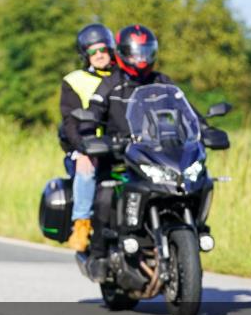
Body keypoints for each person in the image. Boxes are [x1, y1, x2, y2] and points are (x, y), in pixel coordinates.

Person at [78, 24, 202, 280]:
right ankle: (99, 256)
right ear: (122, 53)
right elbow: (92, 114)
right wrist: (89, 135)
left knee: (196, 182)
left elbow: (187, 109)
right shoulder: (110, 84)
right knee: (106, 193)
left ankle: (192, 233)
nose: (140, 59)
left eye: (145, 52)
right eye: (135, 53)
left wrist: (205, 128)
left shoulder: (162, 82)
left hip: (157, 154)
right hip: (119, 158)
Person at [59, 23, 117, 252]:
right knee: (86, 167)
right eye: (93, 51)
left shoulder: (123, 77)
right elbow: (70, 121)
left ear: (111, 49)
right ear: (86, 55)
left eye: (103, 49)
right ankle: (81, 224)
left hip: (120, 144)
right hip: (88, 145)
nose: (99, 55)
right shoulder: (74, 80)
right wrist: (82, 147)